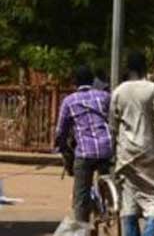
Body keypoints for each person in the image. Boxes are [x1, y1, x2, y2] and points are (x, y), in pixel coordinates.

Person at [110, 52, 154, 236]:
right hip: (148, 149)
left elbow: (113, 123)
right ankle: (149, 232)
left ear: (128, 69)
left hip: (125, 151)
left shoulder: (119, 91)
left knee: (129, 201)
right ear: (145, 68)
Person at [55, 65, 113, 224]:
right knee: (108, 174)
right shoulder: (104, 96)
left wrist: (60, 146)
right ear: (92, 81)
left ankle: (82, 226)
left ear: (75, 82)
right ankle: (109, 202)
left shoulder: (69, 101)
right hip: (108, 148)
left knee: (80, 196)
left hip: (85, 152)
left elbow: (61, 130)